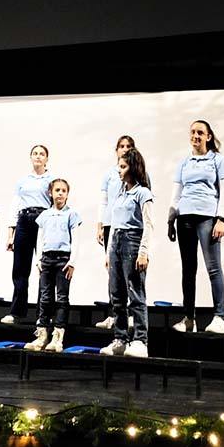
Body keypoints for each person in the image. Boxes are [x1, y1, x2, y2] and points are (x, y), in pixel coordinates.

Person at [168, 120, 224, 334]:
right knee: (188, 270)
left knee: (213, 268)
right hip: (184, 218)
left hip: (207, 217)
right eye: (193, 132)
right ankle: (189, 318)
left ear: (208, 137)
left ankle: (220, 317)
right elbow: (176, 194)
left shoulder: (218, 160)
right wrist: (170, 220)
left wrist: (221, 219)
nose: (195, 136)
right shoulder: (184, 163)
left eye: (200, 132)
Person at [100, 149, 154, 358]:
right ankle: (120, 338)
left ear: (133, 168)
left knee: (135, 294)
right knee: (117, 295)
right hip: (116, 243)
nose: (119, 171)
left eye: (123, 167)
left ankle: (140, 340)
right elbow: (114, 224)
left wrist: (143, 252)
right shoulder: (120, 193)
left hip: (132, 242)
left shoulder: (143, 193)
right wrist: (109, 252)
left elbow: (148, 224)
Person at [24, 178, 81, 352]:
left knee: (62, 298)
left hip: (63, 260)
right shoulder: (45, 215)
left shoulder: (71, 214)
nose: (60, 194)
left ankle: (58, 337)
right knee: (45, 297)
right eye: (57, 190)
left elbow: (75, 239)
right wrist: (38, 260)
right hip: (46, 259)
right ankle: (42, 335)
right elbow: (39, 238)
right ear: (50, 193)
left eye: (64, 191)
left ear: (67, 194)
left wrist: (72, 262)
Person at [1, 144, 54, 324]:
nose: (38, 156)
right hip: (24, 221)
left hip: (43, 220)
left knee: (44, 267)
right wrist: (11, 234)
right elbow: (15, 206)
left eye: (42, 154)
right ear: (31, 157)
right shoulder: (23, 180)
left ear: (47, 159)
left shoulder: (52, 179)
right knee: (20, 268)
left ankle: (43, 314)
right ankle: (17, 312)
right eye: (35, 153)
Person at [94, 135, 136, 329]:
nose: (125, 149)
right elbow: (104, 201)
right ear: (116, 149)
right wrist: (100, 224)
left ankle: (131, 315)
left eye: (128, 146)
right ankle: (114, 314)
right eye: (121, 146)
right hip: (111, 225)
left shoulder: (139, 173)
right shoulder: (109, 174)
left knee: (129, 272)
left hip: (129, 227)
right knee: (113, 272)